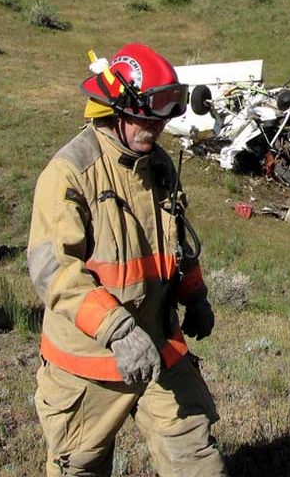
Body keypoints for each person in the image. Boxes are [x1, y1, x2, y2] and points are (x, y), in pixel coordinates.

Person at [27, 43, 227, 476]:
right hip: (89, 362)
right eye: (146, 115)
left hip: (159, 343)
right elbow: (53, 269)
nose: (155, 128)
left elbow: (178, 242)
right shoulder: (69, 173)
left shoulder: (157, 166)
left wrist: (195, 297)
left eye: (163, 117)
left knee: (198, 461)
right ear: (113, 105)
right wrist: (116, 329)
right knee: (79, 467)